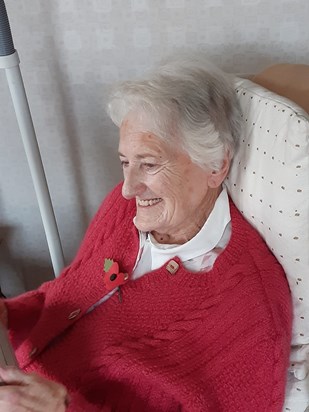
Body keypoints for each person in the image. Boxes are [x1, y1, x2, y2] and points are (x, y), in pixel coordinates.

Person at [0, 55, 292, 411]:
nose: (127, 188)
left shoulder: (250, 311)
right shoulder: (127, 210)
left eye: (149, 164)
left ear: (216, 165)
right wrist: (9, 314)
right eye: (125, 162)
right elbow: (63, 296)